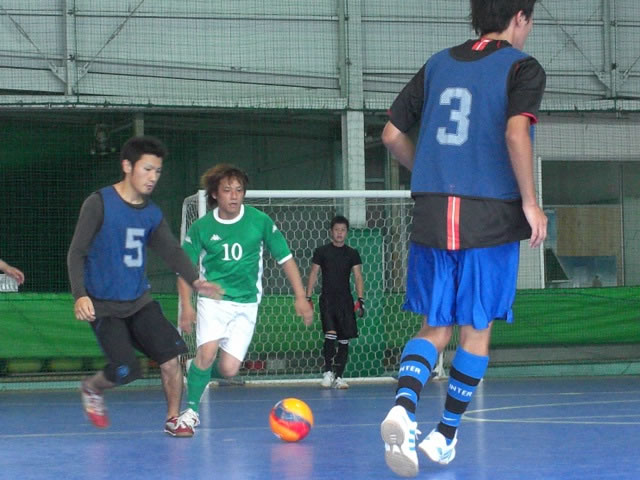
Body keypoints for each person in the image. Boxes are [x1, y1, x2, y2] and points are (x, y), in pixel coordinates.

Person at [379, 0, 547, 476]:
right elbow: (516, 133)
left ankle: (403, 409)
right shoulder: (522, 68)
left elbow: (391, 134)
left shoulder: (438, 64)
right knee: (477, 329)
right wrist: (530, 203)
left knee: (435, 325)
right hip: (489, 214)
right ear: (520, 17)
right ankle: (445, 436)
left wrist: (429, 172)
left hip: (434, 210)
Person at [67, 135, 222, 436]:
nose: (153, 177)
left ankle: (173, 418)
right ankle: (92, 387)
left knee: (171, 358)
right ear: (127, 166)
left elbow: (171, 251)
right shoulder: (99, 203)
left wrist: (195, 280)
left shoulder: (151, 213)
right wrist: (80, 295)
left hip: (140, 301)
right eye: (147, 169)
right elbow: (77, 252)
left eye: (158, 171)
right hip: (104, 306)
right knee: (126, 370)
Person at [175, 164, 313, 436]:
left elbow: (285, 259)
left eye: (239, 190)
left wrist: (300, 297)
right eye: (227, 190)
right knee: (207, 352)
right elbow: (185, 268)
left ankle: (197, 369)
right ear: (215, 194)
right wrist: (187, 305)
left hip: (247, 304)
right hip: (213, 301)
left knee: (228, 369)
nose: (234, 195)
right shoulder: (202, 227)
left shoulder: (260, 221)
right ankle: (190, 412)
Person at [305, 215, 364, 389]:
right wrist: (308, 297)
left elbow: (358, 276)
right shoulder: (322, 251)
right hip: (328, 300)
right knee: (330, 334)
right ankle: (328, 372)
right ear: (331, 231)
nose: (339, 233)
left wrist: (361, 299)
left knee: (344, 339)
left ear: (347, 232)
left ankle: (339, 376)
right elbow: (314, 273)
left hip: (345, 301)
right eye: (336, 230)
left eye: (343, 230)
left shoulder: (352, 253)